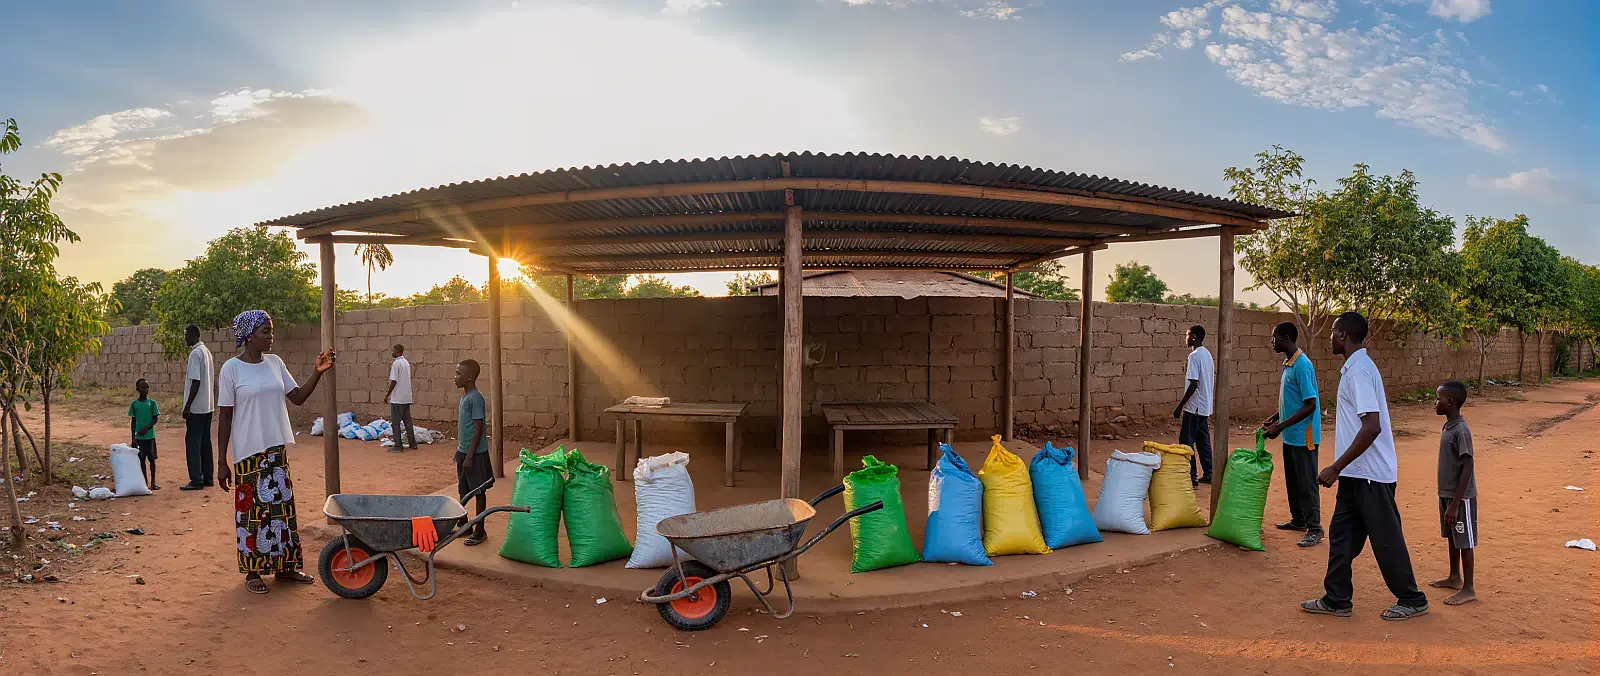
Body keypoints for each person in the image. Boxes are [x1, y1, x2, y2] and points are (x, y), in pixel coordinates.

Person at [1300, 311, 1429, 621]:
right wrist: (1343, 470)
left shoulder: (1359, 372)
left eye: (1333, 332)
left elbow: (1372, 426)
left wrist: (1334, 467)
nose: (1330, 337)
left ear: (1343, 335)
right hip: (1355, 475)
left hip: (1370, 476)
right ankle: (1337, 599)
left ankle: (1412, 599)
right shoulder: (1356, 369)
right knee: (1341, 536)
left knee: (1386, 539)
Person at [216, 310, 336, 595]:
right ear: (248, 336)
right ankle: (253, 571)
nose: (271, 337)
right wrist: (221, 461)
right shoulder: (231, 369)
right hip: (247, 452)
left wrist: (316, 372)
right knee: (252, 514)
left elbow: (297, 397)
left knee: (281, 510)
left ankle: (285, 567)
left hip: (275, 449)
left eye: (271, 331)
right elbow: (224, 417)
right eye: (265, 332)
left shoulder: (275, 363)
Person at [1261, 321, 1323, 547]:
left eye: (1274, 337)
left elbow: (1310, 404)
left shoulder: (1302, 366)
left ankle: (1315, 528)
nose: (1272, 341)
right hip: (1290, 434)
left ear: (1286, 339)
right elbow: (1291, 400)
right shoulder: (1288, 363)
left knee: (1307, 483)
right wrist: (1275, 418)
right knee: (1293, 481)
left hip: (1303, 436)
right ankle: (1299, 520)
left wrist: (1280, 426)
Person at [1429, 380, 1478, 606]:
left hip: (1461, 498)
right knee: (1452, 537)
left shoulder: (1461, 430)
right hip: (1447, 494)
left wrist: (1456, 503)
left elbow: (1467, 466)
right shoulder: (1448, 426)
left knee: (1464, 540)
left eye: (1438, 399)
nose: (1435, 402)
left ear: (1450, 402)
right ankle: (1454, 576)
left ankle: (1468, 588)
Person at [454, 358, 492, 546]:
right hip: (463, 452)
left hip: (475, 455)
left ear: (469, 377)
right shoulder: (465, 397)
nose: (455, 377)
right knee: (463, 489)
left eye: (458, 374)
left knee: (478, 491)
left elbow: (478, 429)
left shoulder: (476, 398)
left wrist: (469, 455)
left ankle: (480, 529)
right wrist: (461, 452)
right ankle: (465, 523)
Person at [1172, 324, 1215, 485]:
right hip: (1204, 408)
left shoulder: (1194, 356)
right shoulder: (1207, 354)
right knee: (1203, 442)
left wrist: (1180, 406)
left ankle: (1191, 476)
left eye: (1188, 334)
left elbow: (1193, 384)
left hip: (1194, 407)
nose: (1186, 338)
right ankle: (1209, 473)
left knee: (1186, 441)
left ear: (1195, 337)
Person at [179, 324, 215, 490]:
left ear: (193, 335)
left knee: (193, 442)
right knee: (205, 442)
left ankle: (196, 480)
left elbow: (196, 381)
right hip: (207, 406)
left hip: (197, 407)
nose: (184, 338)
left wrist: (187, 406)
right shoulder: (206, 351)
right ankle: (208, 477)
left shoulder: (195, 353)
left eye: (186, 335)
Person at [128, 378, 160, 490]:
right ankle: (144, 483)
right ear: (137, 389)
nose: (146, 389)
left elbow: (155, 419)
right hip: (139, 438)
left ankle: (153, 482)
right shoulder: (134, 404)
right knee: (141, 461)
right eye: (143, 387)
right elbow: (133, 421)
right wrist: (133, 438)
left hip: (150, 437)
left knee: (152, 460)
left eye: (147, 387)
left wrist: (146, 428)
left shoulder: (152, 403)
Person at [386, 343, 417, 451]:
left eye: (393, 350)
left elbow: (394, 380)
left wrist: (387, 394)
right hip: (406, 397)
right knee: (408, 422)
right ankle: (413, 444)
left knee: (395, 423)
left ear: (398, 352)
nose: (392, 352)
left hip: (398, 398)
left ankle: (398, 445)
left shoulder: (396, 364)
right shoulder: (406, 363)